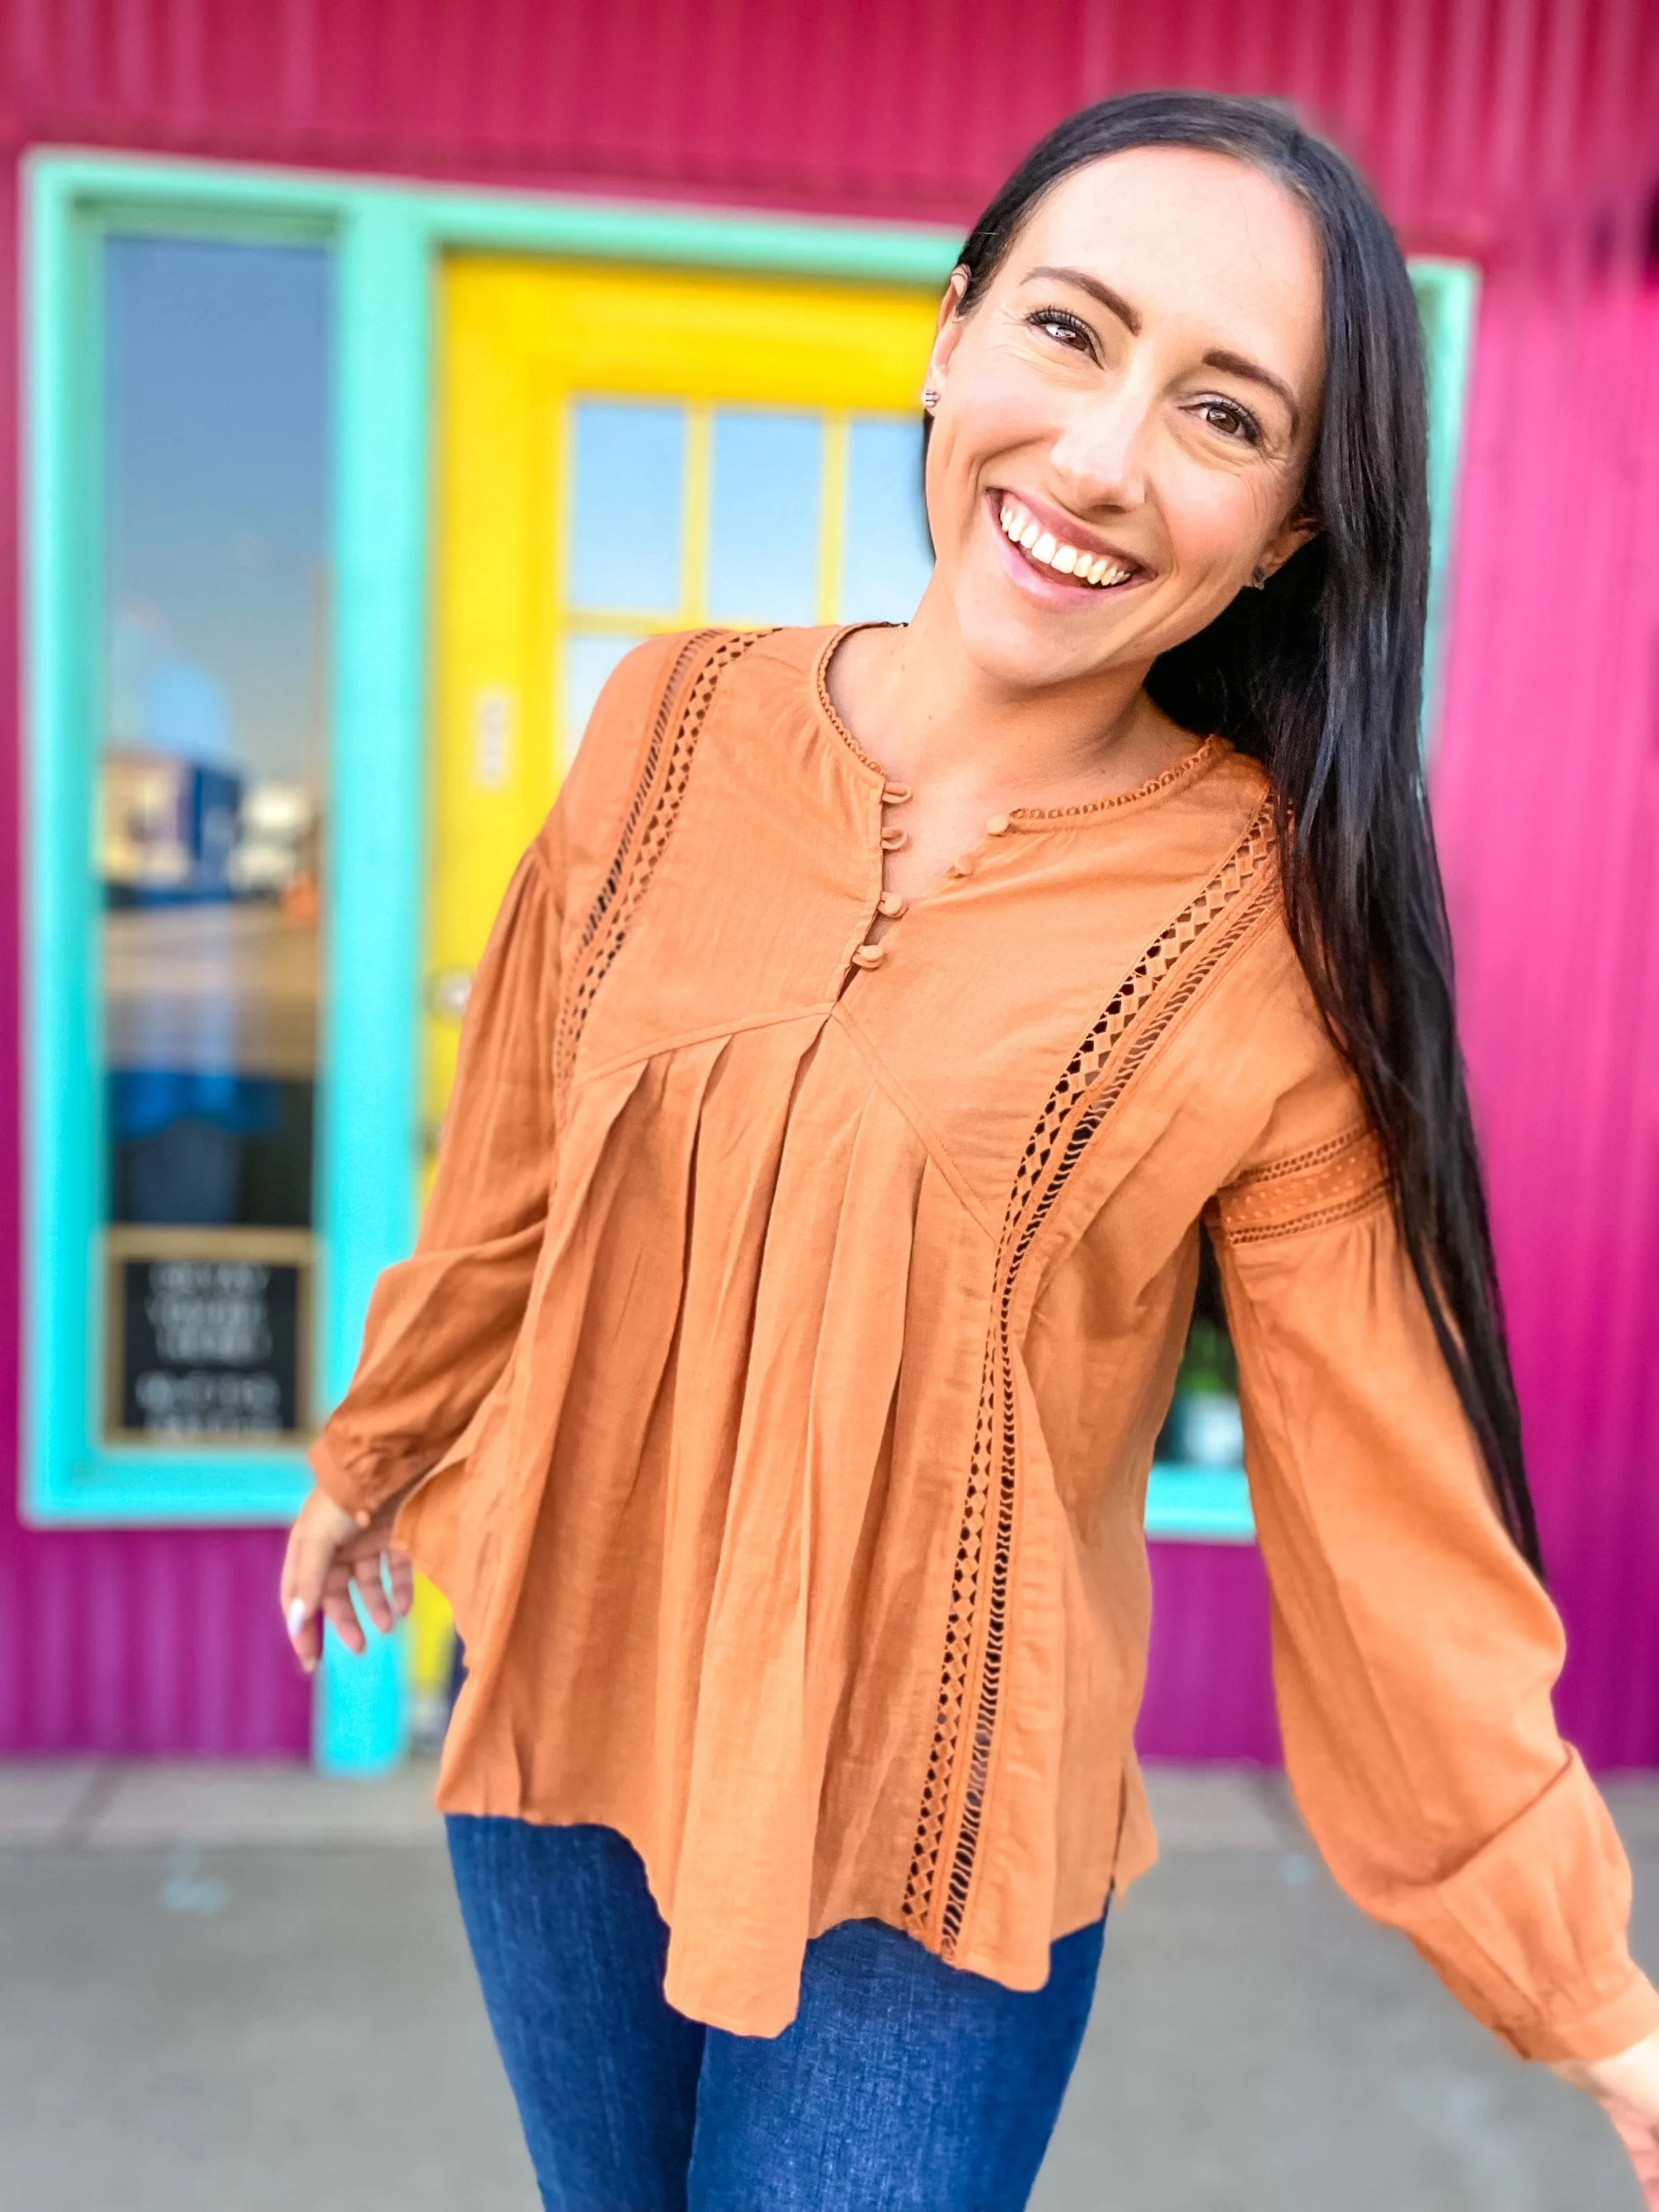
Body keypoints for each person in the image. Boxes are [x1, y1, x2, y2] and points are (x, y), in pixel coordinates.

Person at [280, 91, 1659, 2210]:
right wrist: (380, 1443)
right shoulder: (667, 721)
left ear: (1288, 527)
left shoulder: (1273, 946)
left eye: (1223, 415)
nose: (1101, 459)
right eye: (1068, 333)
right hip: (565, 1718)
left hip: (923, 1851)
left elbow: (1388, 1526)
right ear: (949, 331)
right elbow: (523, 1164)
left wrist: (1598, 2005)